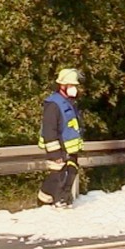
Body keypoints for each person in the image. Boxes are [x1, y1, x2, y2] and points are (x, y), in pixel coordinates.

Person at [37, 68, 85, 208]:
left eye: (75, 86)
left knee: (70, 172)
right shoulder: (54, 104)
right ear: (62, 86)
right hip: (58, 149)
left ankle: (62, 199)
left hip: (69, 149)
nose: (74, 89)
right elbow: (49, 130)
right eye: (71, 86)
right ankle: (50, 201)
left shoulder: (68, 102)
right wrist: (55, 154)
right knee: (58, 176)